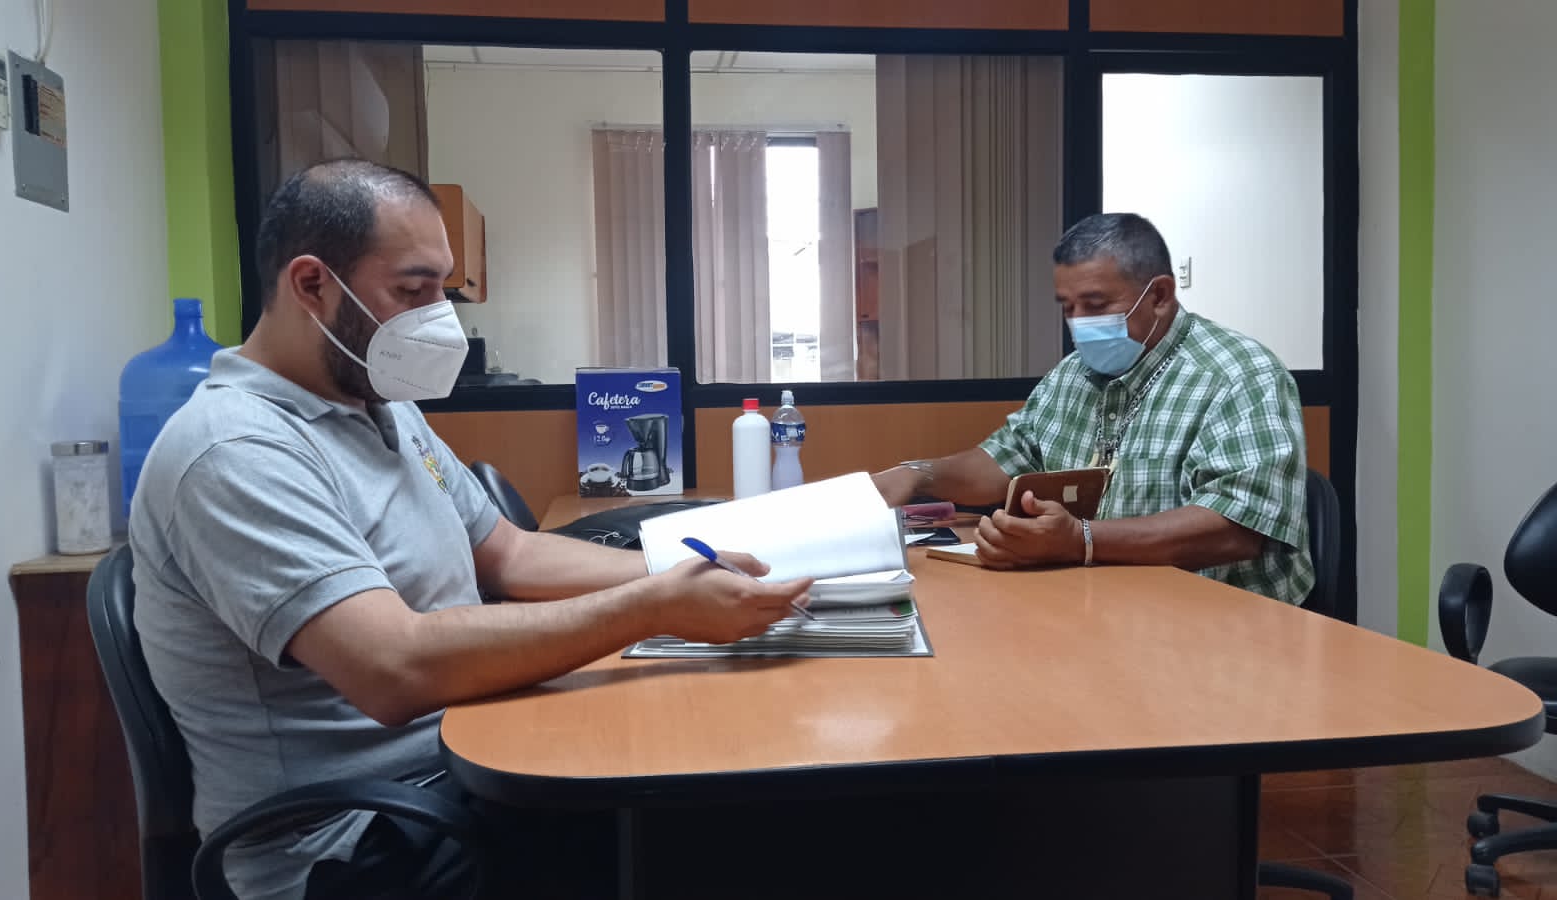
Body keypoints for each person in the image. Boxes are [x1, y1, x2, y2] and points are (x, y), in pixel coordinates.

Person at [128, 159, 812, 900]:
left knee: (709, 763)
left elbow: (508, 552)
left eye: (442, 292)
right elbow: (393, 668)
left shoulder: (380, 406)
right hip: (357, 842)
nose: (438, 318)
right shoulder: (235, 450)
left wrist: (685, 573)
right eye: (412, 291)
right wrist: (653, 608)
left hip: (459, 762)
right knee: (713, 823)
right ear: (312, 284)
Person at [873, 212, 1313, 605]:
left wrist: (1081, 540)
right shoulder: (1072, 375)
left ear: (1160, 295)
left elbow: (1236, 529)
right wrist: (918, 475)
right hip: (1098, 608)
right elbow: (1008, 458)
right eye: (1070, 308)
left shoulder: (1239, 375)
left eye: (1097, 305)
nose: (1080, 322)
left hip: (1220, 628)